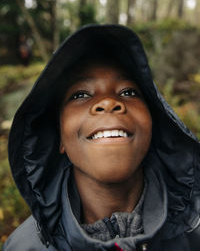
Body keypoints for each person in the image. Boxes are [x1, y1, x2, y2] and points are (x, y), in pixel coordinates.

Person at [3, 24, 200, 251]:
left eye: (128, 92)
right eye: (80, 94)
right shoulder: (21, 247)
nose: (108, 102)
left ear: (154, 124)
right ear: (59, 139)